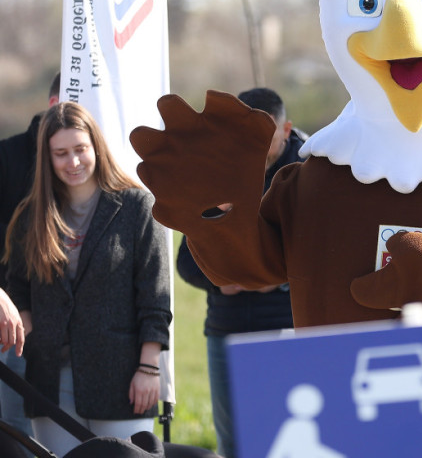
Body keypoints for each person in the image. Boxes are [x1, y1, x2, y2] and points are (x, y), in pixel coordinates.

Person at [2, 102, 171, 457]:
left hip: (122, 377)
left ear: (96, 146)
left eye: (80, 149)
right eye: (61, 153)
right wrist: (32, 337)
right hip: (50, 381)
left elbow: (155, 295)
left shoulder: (137, 206)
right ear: (47, 157)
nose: (73, 161)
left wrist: (148, 368)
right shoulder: (31, 215)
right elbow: (17, 285)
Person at [177, 87, 306, 458]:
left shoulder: (310, 173)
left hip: (287, 326)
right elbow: (187, 259)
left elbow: (321, 252)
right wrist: (217, 281)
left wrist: (277, 282)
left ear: (286, 130)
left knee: (286, 442)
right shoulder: (214, 173)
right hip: (227, 328)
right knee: (233, 445)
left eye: (265, 137)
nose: (254, 148)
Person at [0, 71, 59, 439]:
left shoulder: (92, 160)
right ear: (55, 103)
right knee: (16, 433)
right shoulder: (7, 157)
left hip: (68, 336)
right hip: (11, 323)